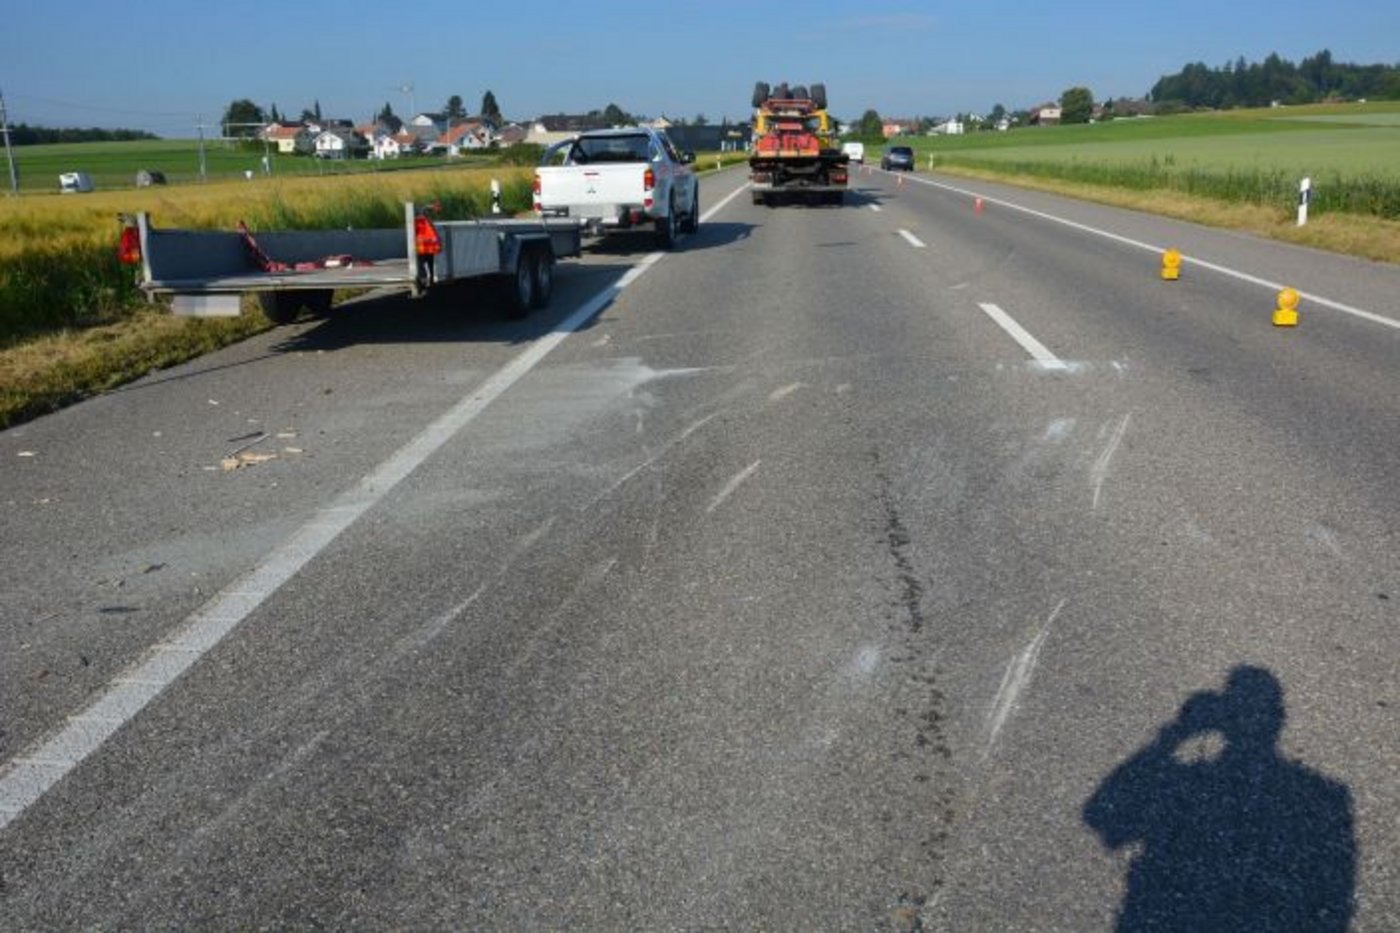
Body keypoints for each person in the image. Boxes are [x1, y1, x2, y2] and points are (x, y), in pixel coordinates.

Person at [1084, 666, 1354, 931]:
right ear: (1279, 717)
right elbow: (1335, 894)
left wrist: (1175, 734)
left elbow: (1104, 816)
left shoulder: (1188, 780)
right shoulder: (1328, 795)